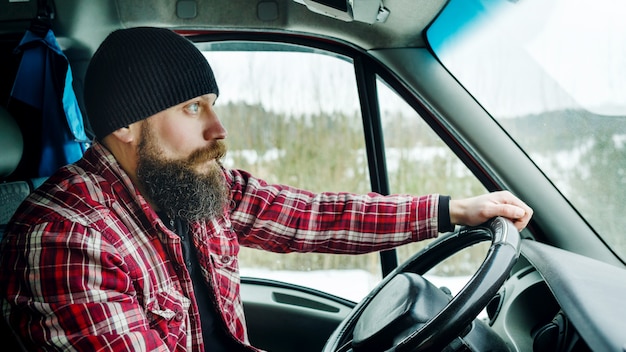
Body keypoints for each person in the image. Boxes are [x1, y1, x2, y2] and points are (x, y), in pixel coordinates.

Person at [0, 27, 532, 351]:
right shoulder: (65, 239)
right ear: (126, 125)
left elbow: (314, 217)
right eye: (193, 108)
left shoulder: (187, 183)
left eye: (212, 102)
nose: (218, 128)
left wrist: (452, 210)